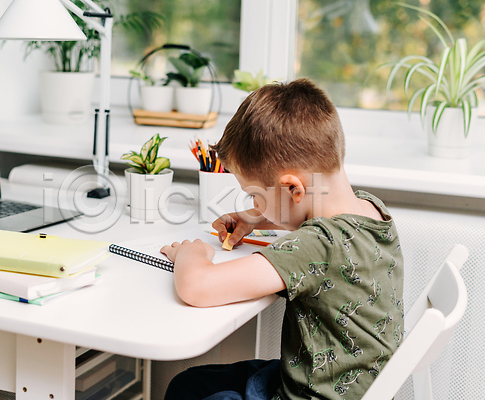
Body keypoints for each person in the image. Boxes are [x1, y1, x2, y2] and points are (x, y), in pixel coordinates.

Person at [160, 78, 404, 400]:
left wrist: (191, 255)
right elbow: (310, 210)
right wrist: (256, 217)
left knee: (198, 393)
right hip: (343, 381)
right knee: (188, 385)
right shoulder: (370, 208)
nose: (254, 204)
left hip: (306, 393)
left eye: (255, 196)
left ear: (292, 188)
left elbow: (197, 287)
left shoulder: (318, 245)